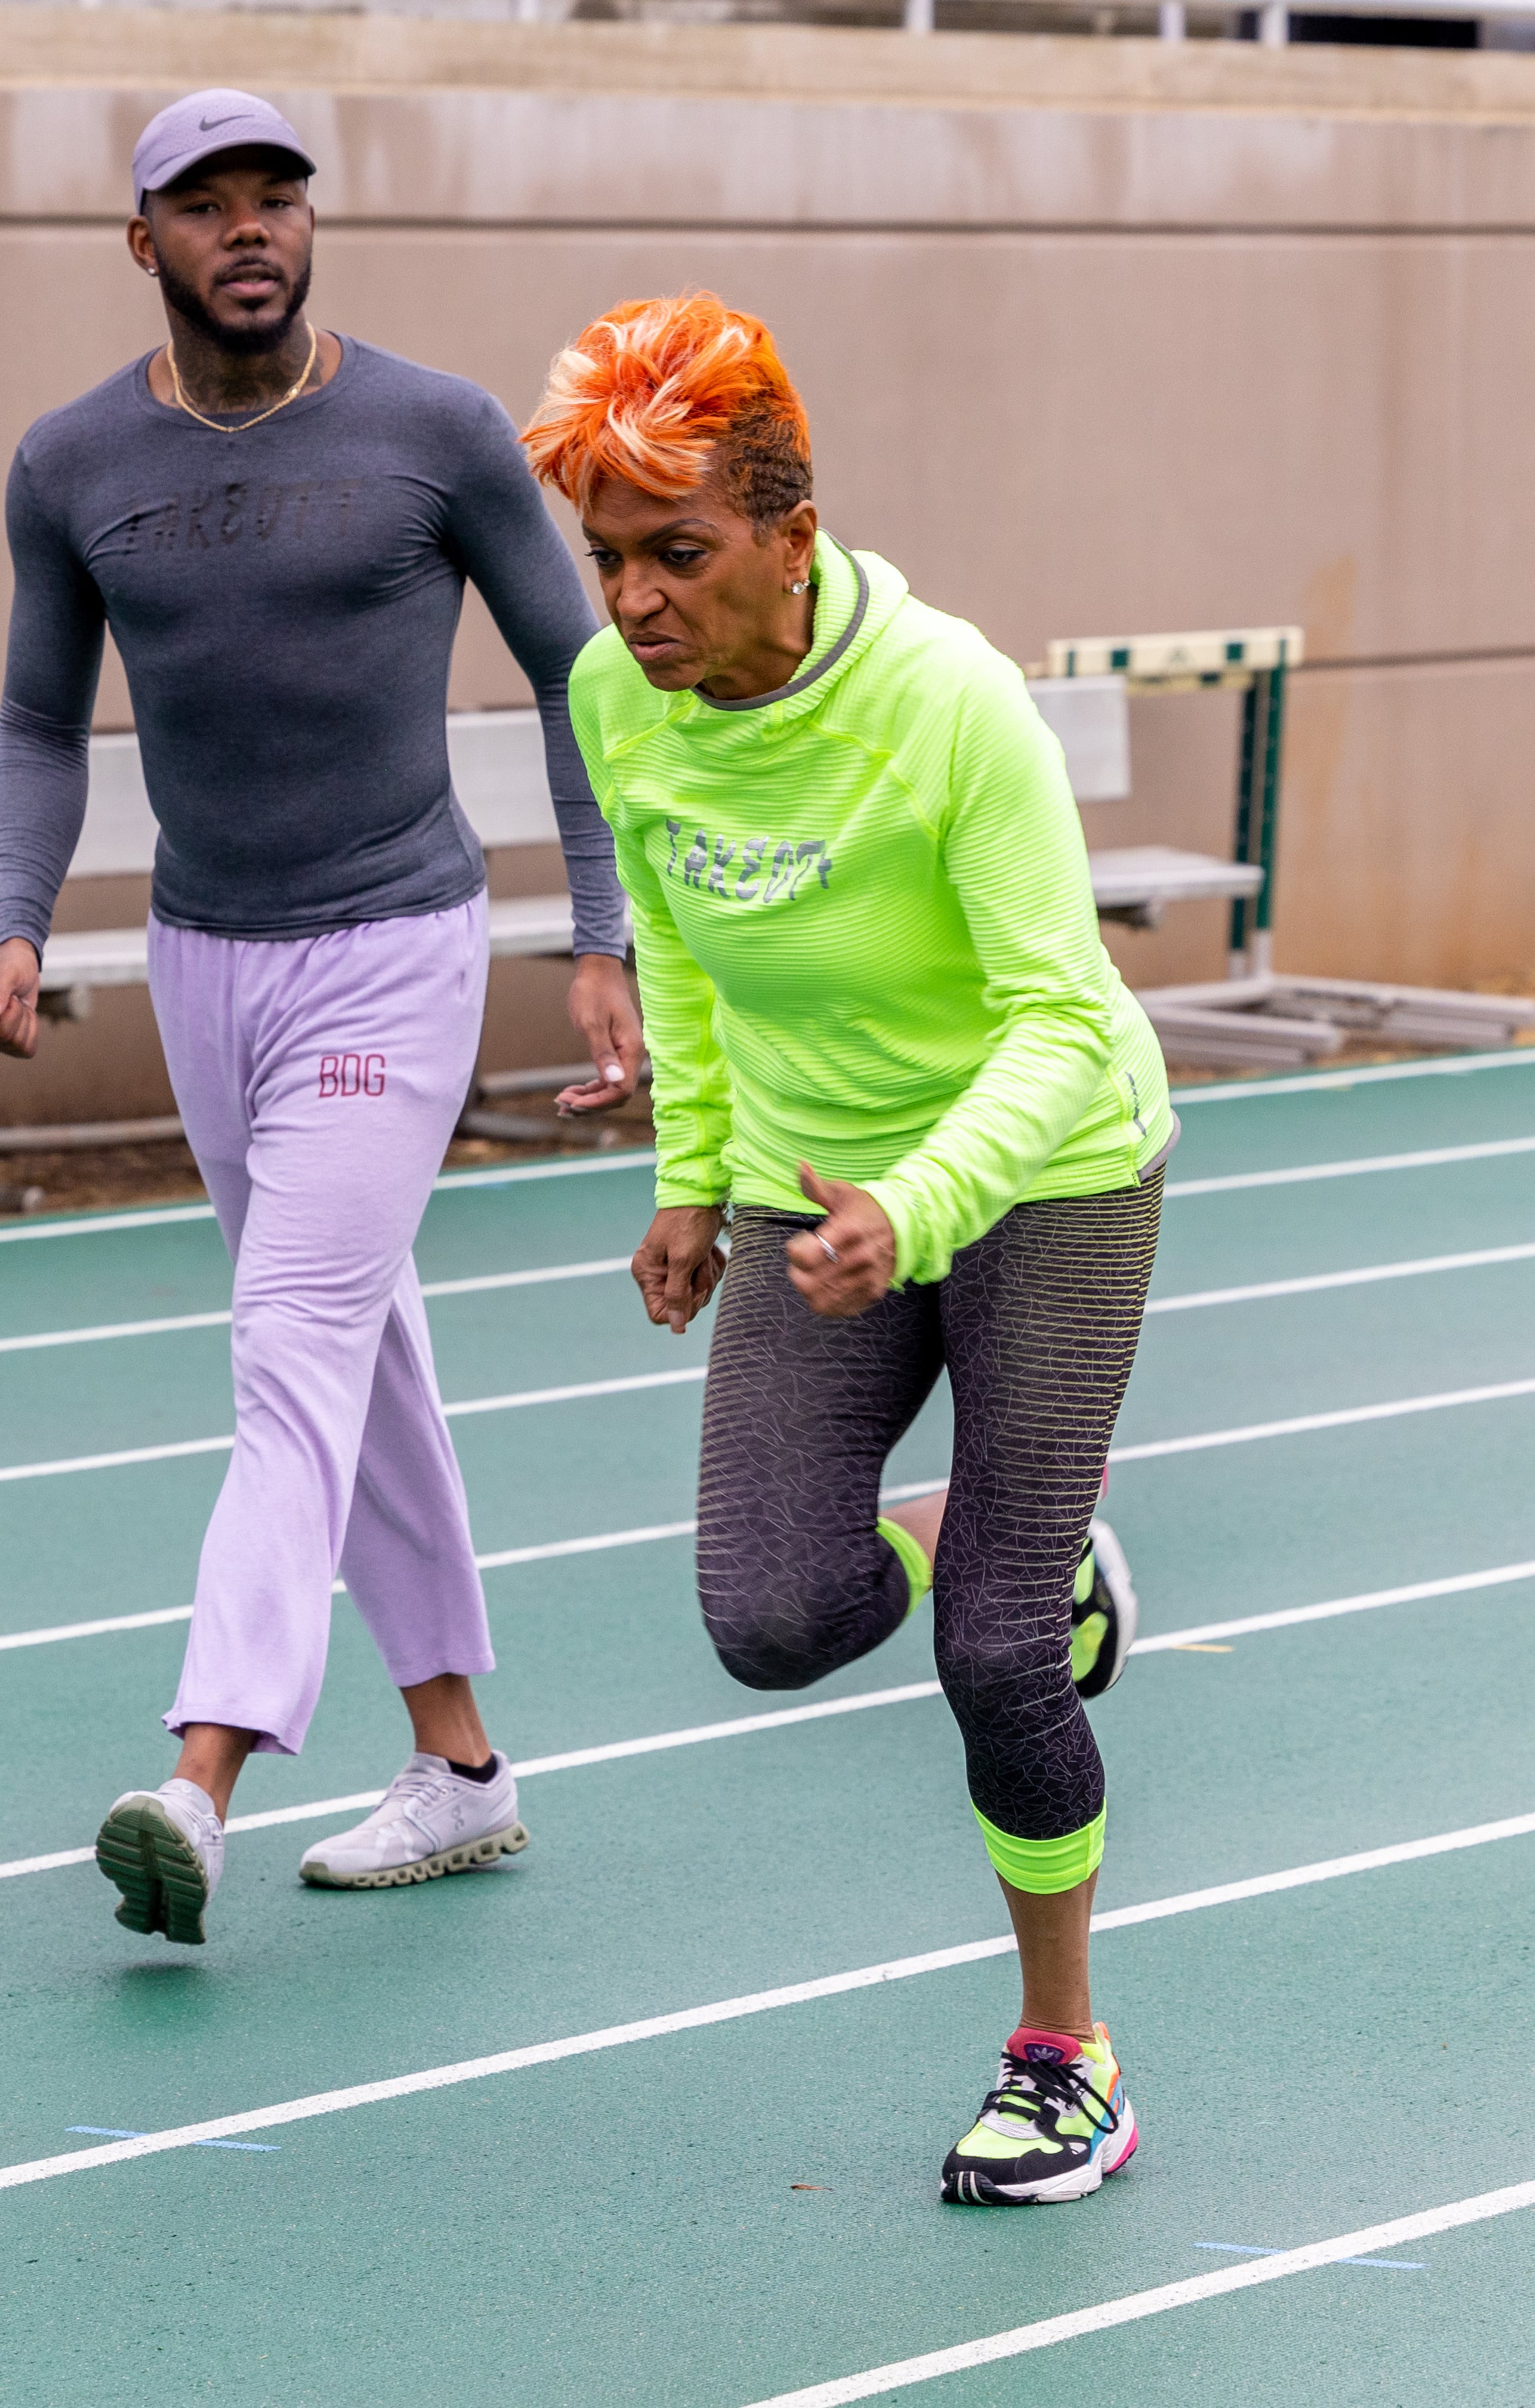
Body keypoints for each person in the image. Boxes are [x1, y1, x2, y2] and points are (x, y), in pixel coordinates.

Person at [0, 92, 644, 1947]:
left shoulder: (434, 431)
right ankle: (463, 1767)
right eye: (206, 205)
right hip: (208, 959)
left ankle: (202, 1769)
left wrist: (603, 927)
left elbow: (583, 677)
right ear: (145, 242)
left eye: (277, 199)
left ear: (311, 227)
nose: (248, 230)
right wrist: (21, 920)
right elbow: (40, 721)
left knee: (290, 1341)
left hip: (394, 943)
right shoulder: (71, 462)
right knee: (364, 1351)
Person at [523, 292, 1173, 2205]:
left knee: (993, 1646)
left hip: (1048, 1170)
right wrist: (692, 1177)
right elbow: (685, 954)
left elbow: (1063, 1019)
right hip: (816, 1192)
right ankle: (1018, 1546)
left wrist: (926, 1205)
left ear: (790, 538)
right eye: (609, 558)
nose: (636, 603)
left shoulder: (952, 699)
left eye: (679, 554)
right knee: (773, 1622)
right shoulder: (613, 701)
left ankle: (1068, 2059)